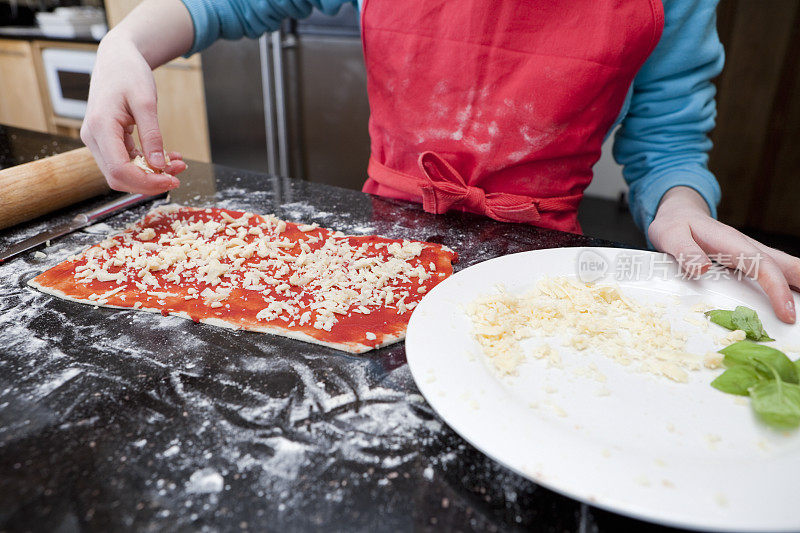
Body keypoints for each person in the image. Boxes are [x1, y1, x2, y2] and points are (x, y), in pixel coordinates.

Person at [81, 0, 800, 323]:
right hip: (379, 247)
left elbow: (667, 135)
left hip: (538, 262)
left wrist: (680, 208)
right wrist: (128, 42)